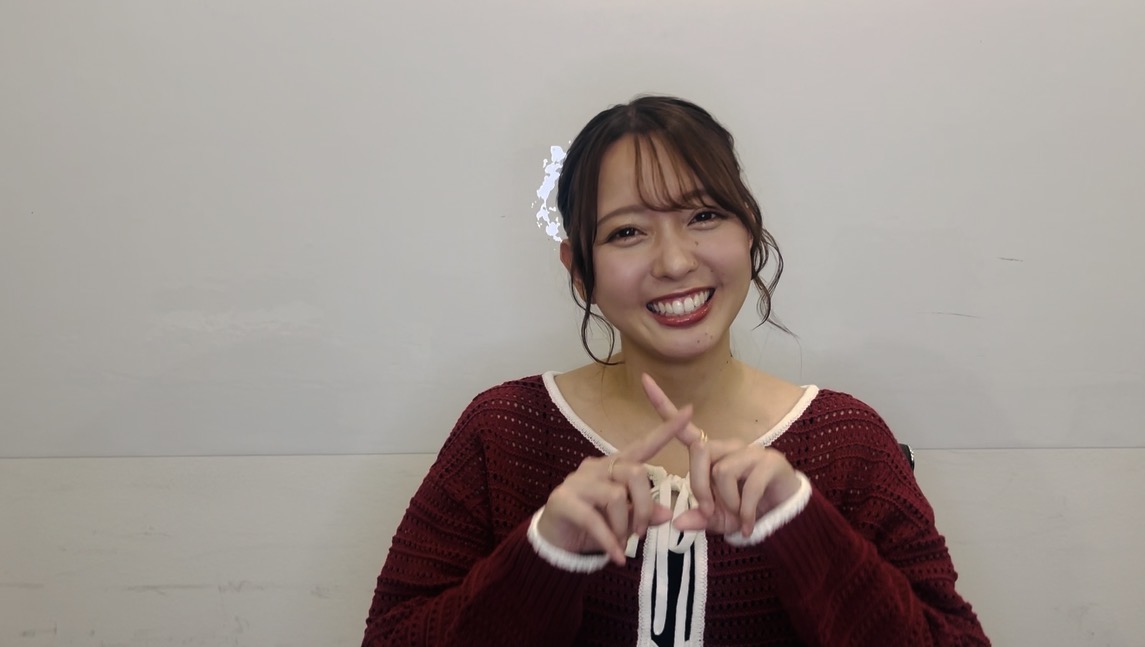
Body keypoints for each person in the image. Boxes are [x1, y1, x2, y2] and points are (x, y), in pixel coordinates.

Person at [362, 96, 989, 646]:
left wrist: (803, 525)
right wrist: (544, 554)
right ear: (579, 270)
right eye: (627, 232)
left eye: (703, 216)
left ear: (749, 233)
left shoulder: (846, 441)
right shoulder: (505, 430)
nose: (674, 261)